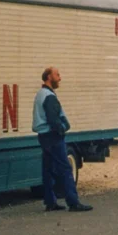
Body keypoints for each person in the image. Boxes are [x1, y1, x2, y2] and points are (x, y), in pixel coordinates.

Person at [33, 67, 93, 212]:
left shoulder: (40, 94)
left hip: (43, 136)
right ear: (49, 77)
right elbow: (53, 119)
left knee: (48, 169)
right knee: (65, 168)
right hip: (53, 137)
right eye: (57, 75)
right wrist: (62, 129)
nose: (60, 78)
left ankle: (50, 201)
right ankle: (73, 202)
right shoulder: (49, 96)